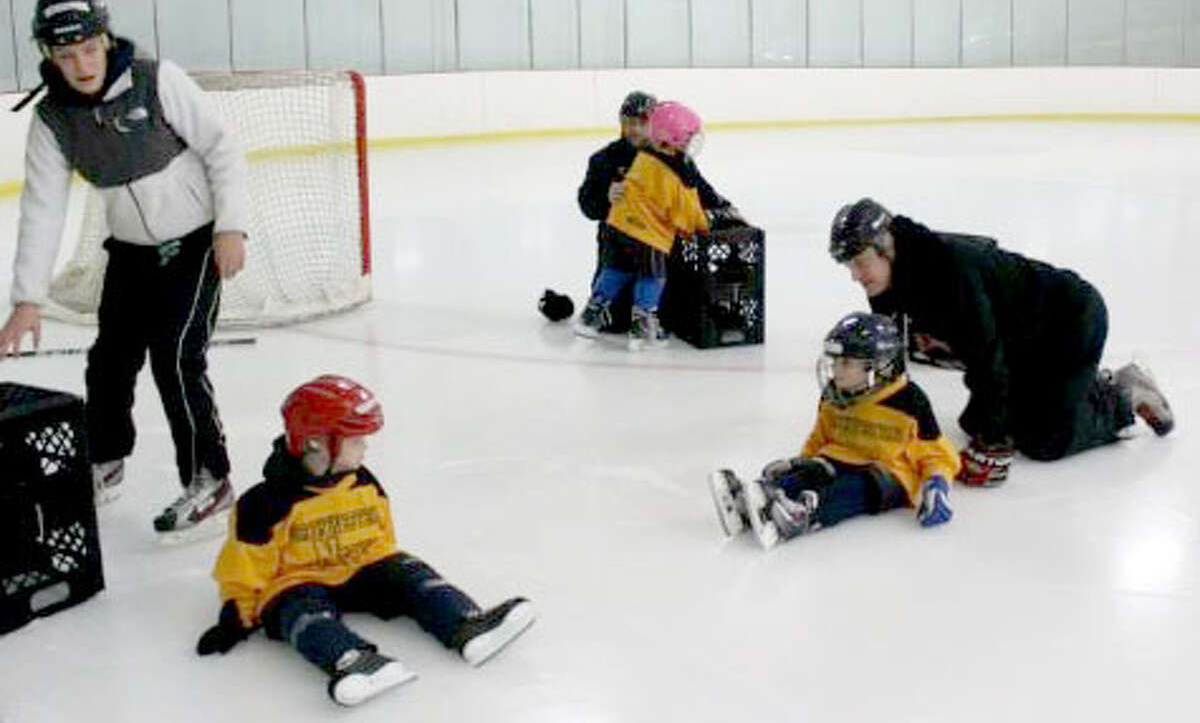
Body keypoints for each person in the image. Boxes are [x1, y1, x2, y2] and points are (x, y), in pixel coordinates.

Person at [0, 0, 247, 537]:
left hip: (195, 242)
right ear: (48, 57)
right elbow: (43, 208)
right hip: (130, 252)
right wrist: (27, 299)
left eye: (89, 48)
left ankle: (210, 478)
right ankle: (105, 462)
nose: (81, 64)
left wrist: (230, 225)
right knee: (109, 361)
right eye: (65, 55)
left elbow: (221, 147)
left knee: (177, 358)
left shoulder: (157, 80)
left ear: (106, 40)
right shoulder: (53, 119)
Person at [196, 375, 537, 707]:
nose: (365, 447)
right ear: (317, 441)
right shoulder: (264, 504)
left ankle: (466, 625)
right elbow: (243, 569)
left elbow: (382, 538)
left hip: (360, 569)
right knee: (300, 611)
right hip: (298, 581)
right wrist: (235, 617)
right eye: (355, 440)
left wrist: (397, 572)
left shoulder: (363, 482)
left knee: (412, 574)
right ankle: (351, 661)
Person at [828, 197, 1174, 486]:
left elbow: (986, 358)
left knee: (1044, 441)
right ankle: (1076, 392)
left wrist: (994, 443)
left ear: (887, 248)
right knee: (975, 423)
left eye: (861, 263)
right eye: (850, 266)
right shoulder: (885, 284)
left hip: (1070, 323)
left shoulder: (951, 274)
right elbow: (892, 355)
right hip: (1017, 340)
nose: (856, 276)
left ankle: (1124, 396)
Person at [709, 312, 958, 549]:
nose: (836, 369)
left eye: (846, 362)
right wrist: (801, 463)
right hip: (840, 458)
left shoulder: (909, 401)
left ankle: (803, 516)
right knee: (815, 471)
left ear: (878, 366)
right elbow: (821, 437)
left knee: (855, 486)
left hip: (887, 474)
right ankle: (758, 500)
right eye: (835, 361)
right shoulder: (834, 395)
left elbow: (938, 453)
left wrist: (937, 484)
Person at [576, 90, 738, 332]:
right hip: (619, 247)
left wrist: (725, 209)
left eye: (642, 123)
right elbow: (587, 205)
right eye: (628, 123)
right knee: (616, 320)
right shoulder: (604, 160)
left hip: (657, 248)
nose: (634, 129)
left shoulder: (673, 157)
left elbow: (699, 191)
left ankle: (646, 315)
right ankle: (605, 308)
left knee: (669, 310)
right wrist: (606, 198)